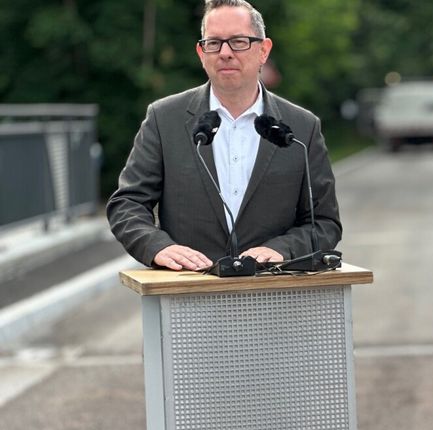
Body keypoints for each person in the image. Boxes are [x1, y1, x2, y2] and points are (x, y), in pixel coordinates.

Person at [107, 0, 341, 271]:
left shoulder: (302, 128)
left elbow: (324, 223)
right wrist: (157, 245)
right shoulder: (164, 119)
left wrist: (282, 250)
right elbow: (127, 203)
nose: (225, 53)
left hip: (275, 295)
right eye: (214, 43)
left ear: (264, 50)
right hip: (187, 294)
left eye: (239, 42)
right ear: (200, 52)